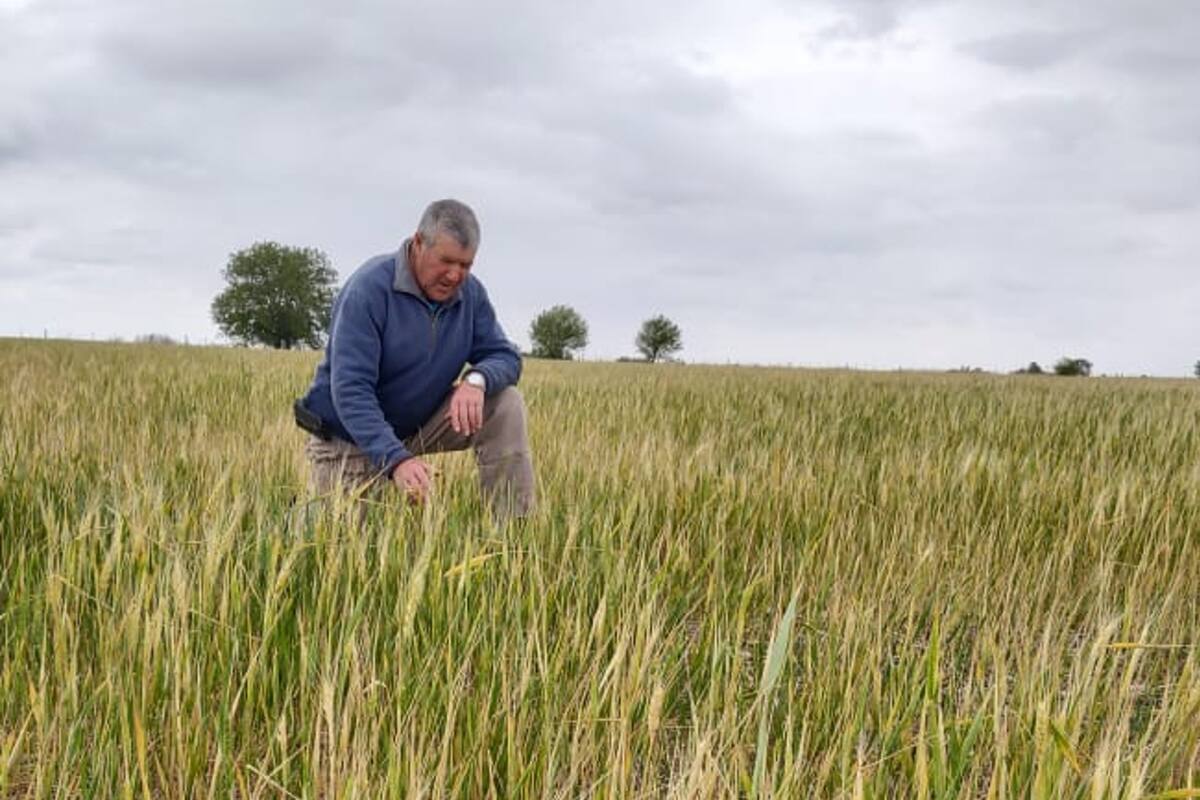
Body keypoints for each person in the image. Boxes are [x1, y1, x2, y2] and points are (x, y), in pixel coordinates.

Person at [295, 199, 535, 521]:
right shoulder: (369, 290)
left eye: (465, 265)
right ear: (418, 243)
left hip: (418, 426)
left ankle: (512, 532)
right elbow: (351, 391)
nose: (454, 275)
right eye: (446, 261)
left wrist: (476, 380)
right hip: (350, 439)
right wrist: (396, 460)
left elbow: (505, 355)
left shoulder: (470, 295)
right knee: (334, 547)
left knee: (505, 401)